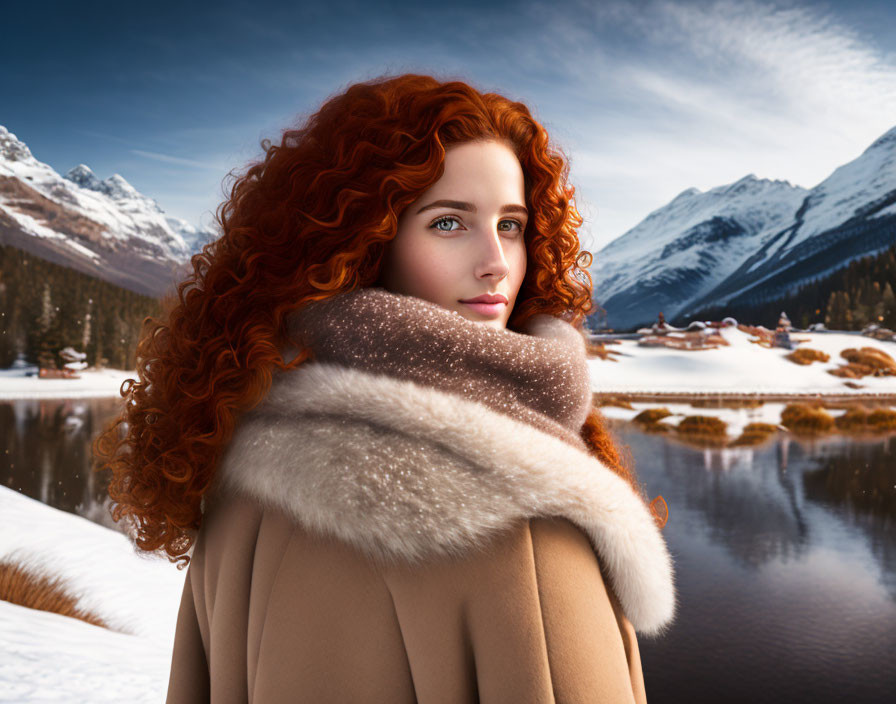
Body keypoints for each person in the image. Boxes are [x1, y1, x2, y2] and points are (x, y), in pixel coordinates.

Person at [93, 73, 676, 703]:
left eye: (511, 224)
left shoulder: (242, 463)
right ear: (367, 241)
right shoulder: (517, 517)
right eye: (449, 223)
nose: (497, 262)